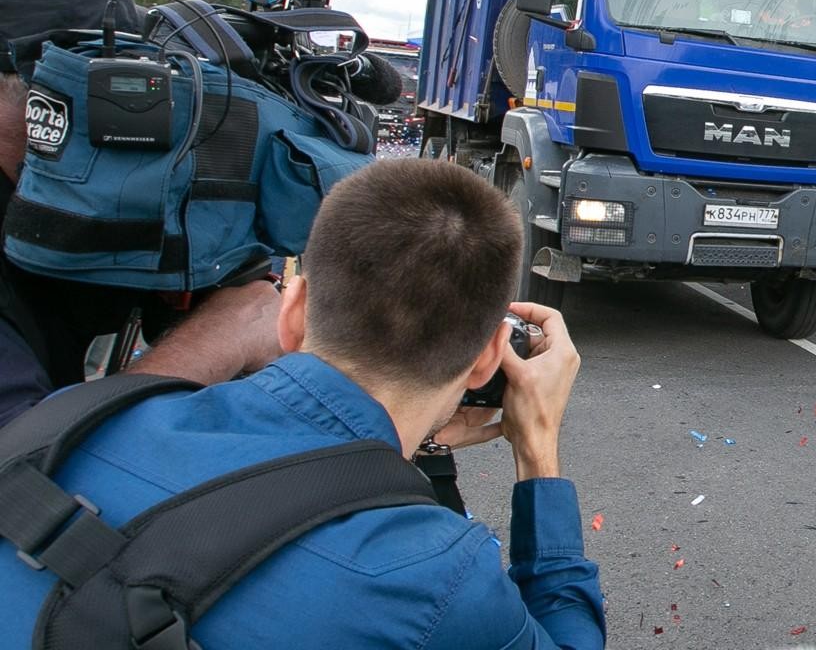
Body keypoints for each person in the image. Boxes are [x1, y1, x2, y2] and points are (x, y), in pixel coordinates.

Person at [0, 157, 606, 647]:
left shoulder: (66, 426)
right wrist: (538, 454)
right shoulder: (436, 579)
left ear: (292, 311)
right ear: (486, 358)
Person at [0, 0, 282, 425]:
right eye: (91, 87)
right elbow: (20, 480)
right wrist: (223, 333)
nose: (123, 121)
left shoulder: (49, 194)